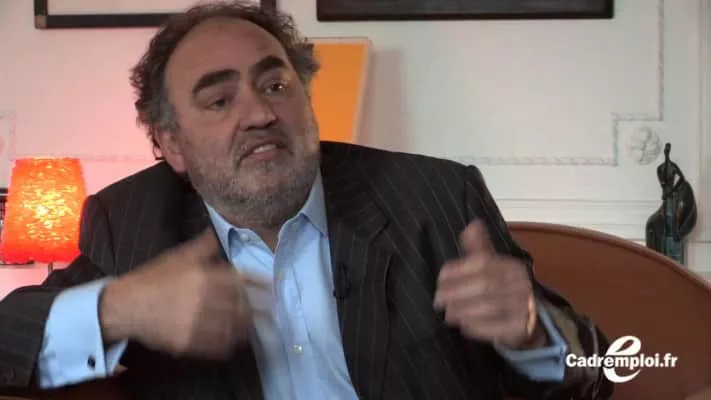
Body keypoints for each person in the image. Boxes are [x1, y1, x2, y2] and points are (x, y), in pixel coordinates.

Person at [0, 1, 613, 399]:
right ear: (172, 144)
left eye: (275, 84)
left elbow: (600, 371)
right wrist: (118, 308)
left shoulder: (434, 198)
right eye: (219, 100)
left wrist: (534, 335)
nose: (260, 114)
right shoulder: (131, 223)